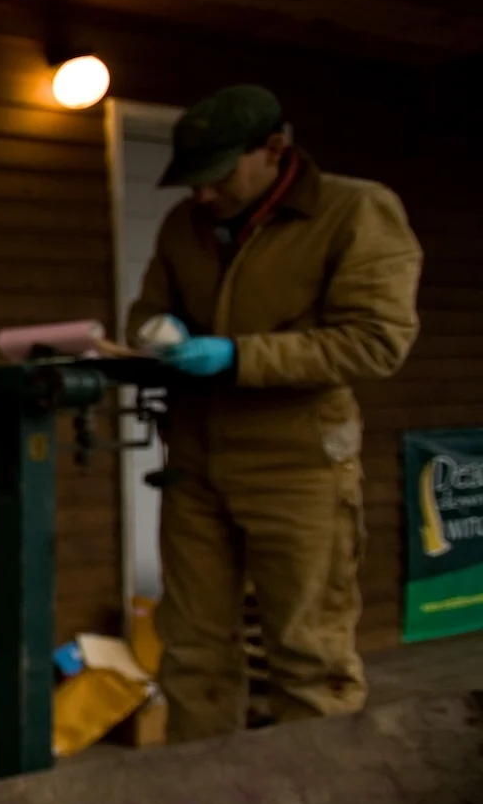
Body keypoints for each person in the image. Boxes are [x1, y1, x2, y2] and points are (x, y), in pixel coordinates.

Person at [126, 84, 421, 741]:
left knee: (307, 652)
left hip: (300, 463)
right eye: (192, 181)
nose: (203, 195)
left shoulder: (355, 212)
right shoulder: (185, 226)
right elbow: (144, 311)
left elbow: (376, 340)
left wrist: (238, 356)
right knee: (193, 651)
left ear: (274, 150)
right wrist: (158, 333)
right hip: (196, 460)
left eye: (218, 177)